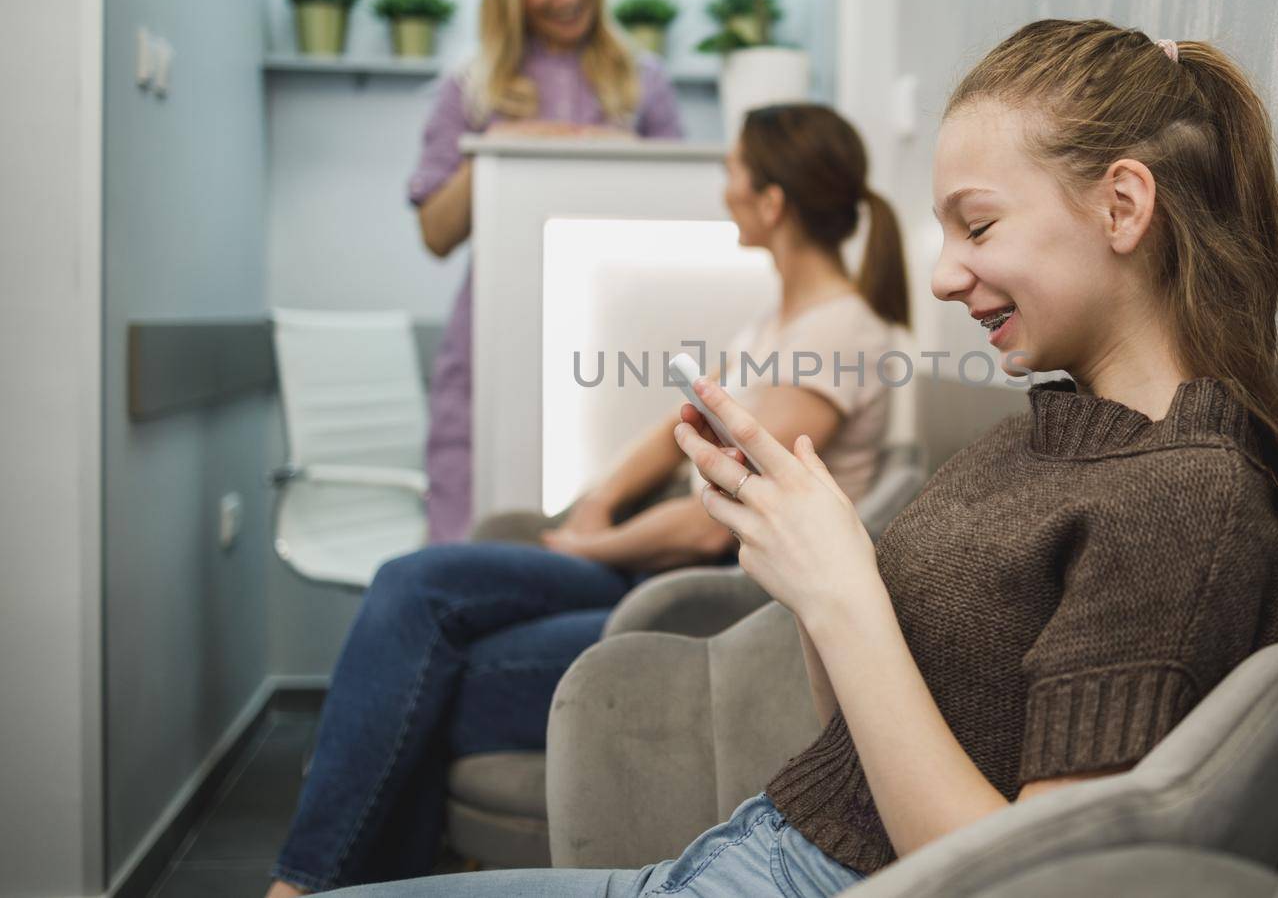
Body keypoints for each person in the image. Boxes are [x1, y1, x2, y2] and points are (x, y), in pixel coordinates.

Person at [320, 18, 1278, 898]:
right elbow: (854, 736)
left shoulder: (1183, 504)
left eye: (977, 224)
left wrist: (845, 590)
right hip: (742, 851)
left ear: (1122, 206)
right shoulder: (1032, 436)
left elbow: (1019, 882)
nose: (942, 275)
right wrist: (818, 583)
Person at [265, 104, 911, 896]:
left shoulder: (841, 329)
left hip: (712, 598)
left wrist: (586, 546)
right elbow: (680, 430)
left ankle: (305, 887)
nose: (724, 190)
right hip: (646, 559)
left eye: (733, 173)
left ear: (772, 202)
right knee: (412, 590)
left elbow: (731, 516)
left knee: (424, 665)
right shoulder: (776, 324)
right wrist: (600, 500)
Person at [412, 0, 684, 543]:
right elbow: (435, 233)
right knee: (467, 550)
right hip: (489, 349)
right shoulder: (468, 88)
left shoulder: (644, 84)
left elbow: (684, 210)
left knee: (588, 549)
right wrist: (505, 149)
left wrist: (618, 150)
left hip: (610, 353)